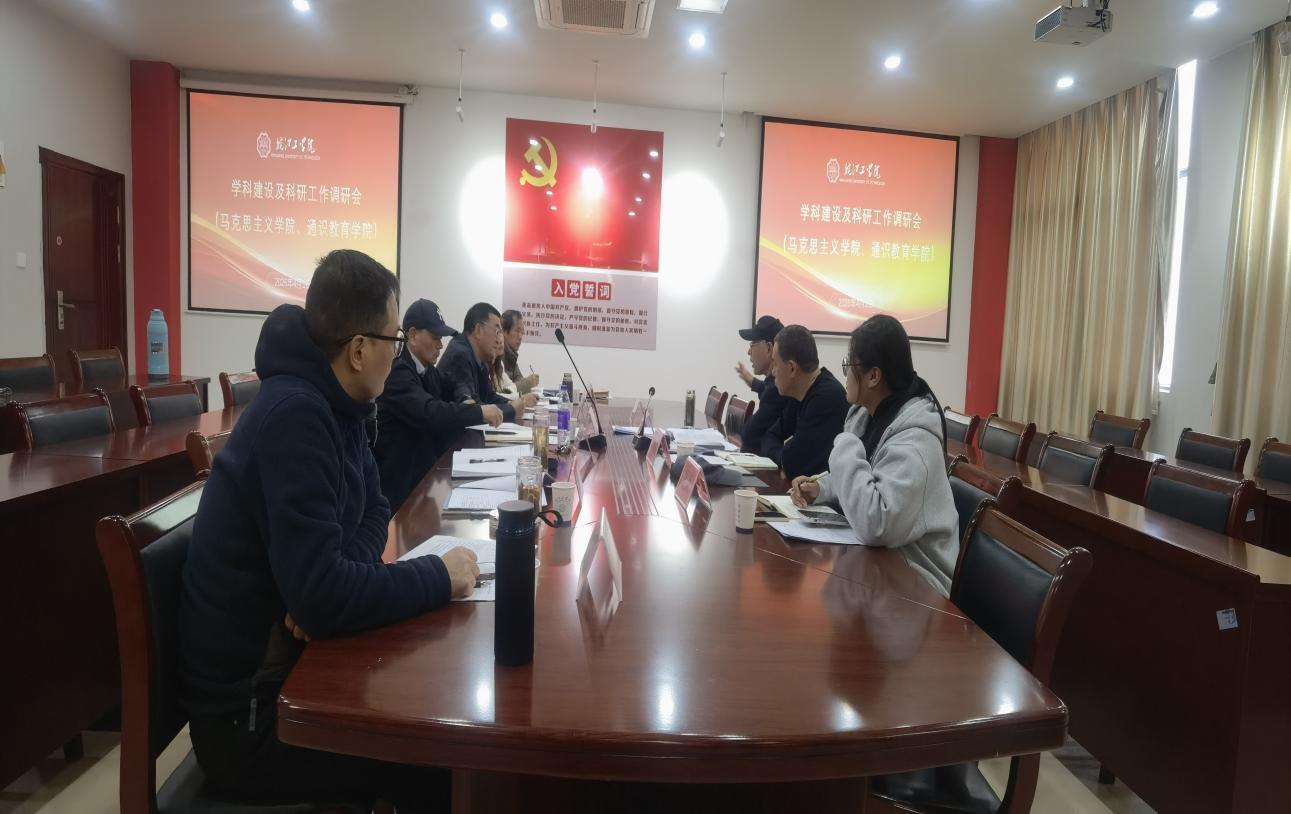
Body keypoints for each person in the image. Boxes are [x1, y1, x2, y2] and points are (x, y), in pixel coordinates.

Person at [179, 250, 480, 811]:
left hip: (292, 668)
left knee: (438, 714)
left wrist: (332, 582)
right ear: (359, 349)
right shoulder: (296, 415)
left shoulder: (341, 404)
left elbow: (375, 508)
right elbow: (321, 598)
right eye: (394, 339)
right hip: (254, 718)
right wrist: (437, 577)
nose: (397, 353)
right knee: (440, 752)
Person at [789, 314, 958, 596]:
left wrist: (845, 443)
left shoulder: (916, 439)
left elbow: (876, 523)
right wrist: (821, 488)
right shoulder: (868, 415)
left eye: (849, 365)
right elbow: (865, 478)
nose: (845, 374)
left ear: (873, 376)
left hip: (919, 583)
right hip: (883, 567)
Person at [374, 298, 504, 512]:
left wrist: (464, 398)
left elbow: (454, 384)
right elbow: (431, 412)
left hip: (426, 483)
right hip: (399, 493)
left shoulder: (428, 370)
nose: (440, 345)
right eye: (435, 337)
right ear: (413, 335)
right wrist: (478, 411)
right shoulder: (398, 374)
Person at [761, 324, 849, 480]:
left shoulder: (827, 398)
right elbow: (769, 437)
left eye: (775, 364)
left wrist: (784, 455)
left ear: (792, 368)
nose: (773, 372)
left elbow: (793, 464)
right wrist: (784, 453)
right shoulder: (800, 392)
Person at [438, 302, 537, 421]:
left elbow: (488, 396)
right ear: (479, 330)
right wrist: (511, 410)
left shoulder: (478, 356)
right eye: (497, 331)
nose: (499, 339)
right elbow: (471, 409)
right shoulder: (459, 355)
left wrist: (513, 404)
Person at [733, 315, 788, 454]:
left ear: (769, 348)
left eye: (752, 344)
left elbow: (749, 434)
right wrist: (751, 381)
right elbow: (766, 388)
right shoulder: (774, 384)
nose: (748, 352)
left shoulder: (777, 388)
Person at [501, 309, 540, 395]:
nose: (520, 337)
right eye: (517, 331)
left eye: (522, 332)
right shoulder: (497, 355)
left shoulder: (511, 356)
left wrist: (528, 383)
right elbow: (505, 392)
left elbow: (518, 381)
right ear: (504, 331)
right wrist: (529, 383)